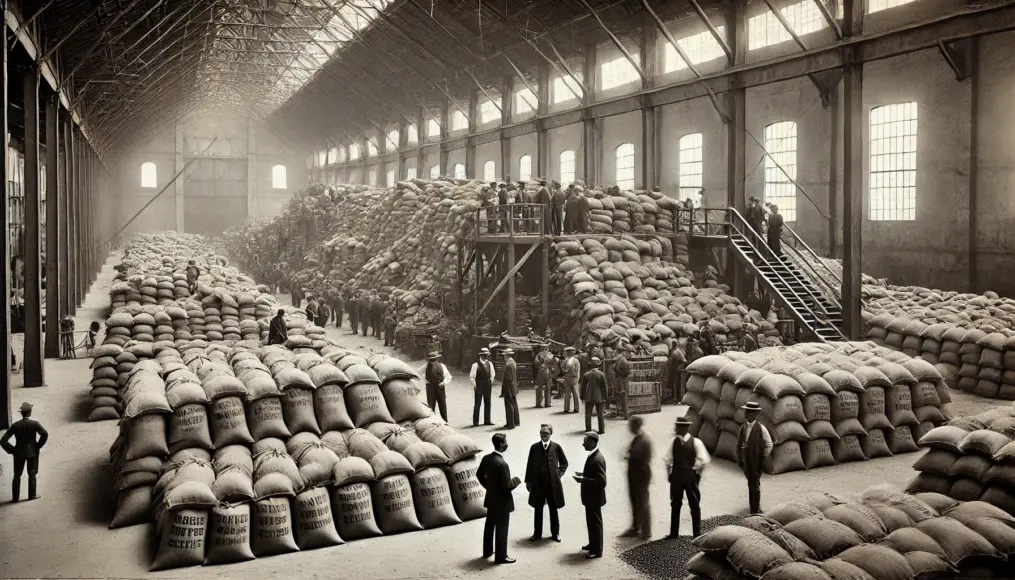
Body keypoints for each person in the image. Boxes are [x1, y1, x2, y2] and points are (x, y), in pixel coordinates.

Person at [477, 433, 522, 564]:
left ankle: (487, 551)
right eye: (505, 442)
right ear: (502, 444)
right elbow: (507, 486)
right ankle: (501, 556)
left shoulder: (486, 458)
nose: (507, 444)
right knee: (502, 529)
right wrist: (516, 480)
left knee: (490, 525)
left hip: (491, 498)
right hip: (502, 502)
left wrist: (489, 487)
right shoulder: (503, 464)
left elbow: (479, 474)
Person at [665, 416, 710, 539]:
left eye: (679, 426)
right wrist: (669, 474)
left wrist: (697, 475)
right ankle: (674, 533)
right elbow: (668, 460)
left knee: (694, 503)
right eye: (677, 426)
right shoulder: (673, 442)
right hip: (677, 475)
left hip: (690, 475)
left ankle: (697, 533)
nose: (676, 428)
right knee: (675, 503)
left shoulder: (696, 442)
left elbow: (704, 461)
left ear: (685, 428)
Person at [525, 424, 569, 543]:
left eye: (546, 434)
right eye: (541, 433)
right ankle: (537, 533)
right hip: (539, 484)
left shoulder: (556, 447)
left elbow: (564, 463)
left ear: (551, 434)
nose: (543, 435)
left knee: (553, 508)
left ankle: (555, 533)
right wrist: (528, 481)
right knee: (538, 509)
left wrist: (558, 474)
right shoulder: (534, 448)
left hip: (552, 485)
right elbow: (529, 465)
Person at [1, 402, 49, 502]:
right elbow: (44, 434)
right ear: (30, 412)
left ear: (21, 413)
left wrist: (12, 450)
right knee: (32, 474)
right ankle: (31, 495)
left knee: (17, 475)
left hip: (18, 452)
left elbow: (3, 440)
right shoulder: (34, 424)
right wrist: (38, 446)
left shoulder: (15, 425)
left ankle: (15, 498)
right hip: (32, 452)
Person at [573, 432, 607, 559]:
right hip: (592, 498)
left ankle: (597, 550)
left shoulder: (597, 459)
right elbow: (594, 474)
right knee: (591, 522)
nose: (583, 444)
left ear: (592, 443)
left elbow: (602, 482)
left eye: (585, 442)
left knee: (595, 523)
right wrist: (584, 473)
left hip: (594, 498)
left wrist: (583, 480)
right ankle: (593, 543)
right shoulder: (594, 455)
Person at [737, 402, 773, 514]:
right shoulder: (743, 427)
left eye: (748, 412)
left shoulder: (761, 429)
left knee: (754, 483)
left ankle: (755, 510)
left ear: (755, 414)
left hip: (756, 460)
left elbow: (769, 444)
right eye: (746, 411)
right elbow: (740, 442)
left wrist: (762, 456)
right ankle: (755, 506)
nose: (746, 414)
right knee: (752, 482)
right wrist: (741, 455)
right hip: (746, 460)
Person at [622, 416, 653, 539]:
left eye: (630, 426)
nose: (629, 428)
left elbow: (643, 458)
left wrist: (630, 455)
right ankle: (635, 527)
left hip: (640, 473)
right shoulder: (638, 437)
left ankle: (646, 531)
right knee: (635, 500)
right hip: (635, 472)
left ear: (636, 426)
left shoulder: (643, 439)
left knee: (642, 502)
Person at [418, 352, 452, 422]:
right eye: (431, 360)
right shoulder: (426, 366)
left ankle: (445, 421)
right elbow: (417, 373)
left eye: (434, 360)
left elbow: (448, 376)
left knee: (442, 405)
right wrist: (425, 380)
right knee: (431, 405)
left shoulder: (442, 366)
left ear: (437, 359)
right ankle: (432, 421)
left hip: (440, 387)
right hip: (430, 388)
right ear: (428, 360)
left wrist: (444, 382)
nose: (432, 362)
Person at [580, 356, 607, 435]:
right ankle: (601, 430)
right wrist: (605, 397)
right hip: (599, 397)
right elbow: (604, 387)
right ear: (598, 365)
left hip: (588, 397)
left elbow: (583, 387)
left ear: (590, 365)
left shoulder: (586, 374)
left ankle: (588, 429)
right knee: (600, 414)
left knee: (588, 414)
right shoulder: (601, 374)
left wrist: (582, 397)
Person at [470, 348, 496, 426]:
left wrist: (490, 381)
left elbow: (492, 374)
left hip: (487, 384)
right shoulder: (475, 365)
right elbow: (472, 376)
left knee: (488, 402)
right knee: (478, 403)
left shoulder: (490, 364)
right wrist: (475, 385)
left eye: (487, 355)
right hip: (479, 384)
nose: (486, 357)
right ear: (481, 355)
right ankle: (476, 421)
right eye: (484, 355)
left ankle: (487, 421)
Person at [500, 348, 520, 430]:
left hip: (508, 387)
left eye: (504, 355)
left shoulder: (508, 364)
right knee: (514, 404)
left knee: (509, 406)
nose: (503, 357)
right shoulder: (513, 362)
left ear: (507, 355)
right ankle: (516, 421)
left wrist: (503, 389)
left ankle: (510, 424)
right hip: (513, 386)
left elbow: (507, 377)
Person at [534, 343, 555, 409]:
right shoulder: (551, 355)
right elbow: (553, 366)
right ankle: (547, 403)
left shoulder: (538, 355)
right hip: (548, 373)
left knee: (539, 388)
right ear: (547, 348)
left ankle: (538, 403)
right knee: (548, 388)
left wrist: (540, 366)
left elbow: (535, 364)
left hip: (541, 372)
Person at [613, 344, 631, 420]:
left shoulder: (617, 359)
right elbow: (627, 372)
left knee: (618, 397)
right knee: (624, 398)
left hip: (617, 380)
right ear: (624, 352)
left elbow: (614, 368)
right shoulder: (625, 361)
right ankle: (626, 415)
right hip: (623, 381)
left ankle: (617, 412)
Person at [561, 346, 581, 413]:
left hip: (574, 378)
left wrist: (577, 379)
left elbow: (578, 371)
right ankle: (566, 408)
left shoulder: (576, 360)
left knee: (575, 394)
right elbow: (563, 368)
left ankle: (576, 408)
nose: (569, 353)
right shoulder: (565, 360)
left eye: (571, 352)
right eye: (568, 352)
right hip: (567, 378)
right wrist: (564, 369)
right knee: (567, 394)